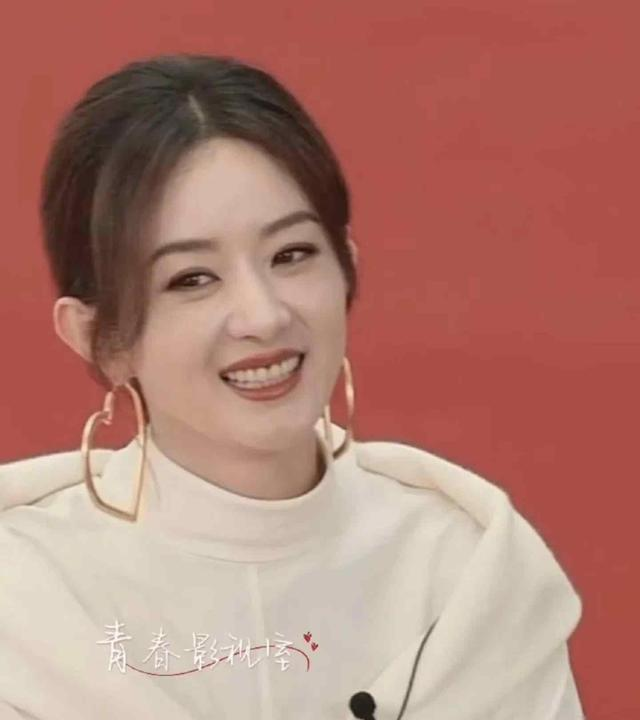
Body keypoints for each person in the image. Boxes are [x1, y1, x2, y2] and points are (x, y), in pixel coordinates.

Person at [0, 53, 584, 719]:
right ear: (98, 337)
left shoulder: (465, 574)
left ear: (347, 268)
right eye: (192, 278)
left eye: (292, 254)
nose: (264, 315)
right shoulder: (24, 595)